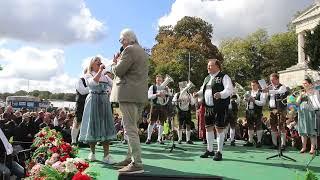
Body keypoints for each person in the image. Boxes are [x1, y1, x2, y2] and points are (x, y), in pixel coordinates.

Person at [110, 28, 148, 174]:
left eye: (121, 40)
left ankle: (136, 163)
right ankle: (129, 159)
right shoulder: (142, 51)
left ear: (127, 39)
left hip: (128, 94)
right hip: (138, 95)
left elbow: (119, 71)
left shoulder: (129, 50)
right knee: (132, 128)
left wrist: (114, 64)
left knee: (130, 129)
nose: (121, 43)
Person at [78, 56, 116, 164]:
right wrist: (100, 71)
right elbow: (92, 83)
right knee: (92, 125)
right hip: (93, 99)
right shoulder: (88, 74)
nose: (99, 63)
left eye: (100, 61)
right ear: (91, 64)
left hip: (104, 100)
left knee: (105, 125)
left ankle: (106, 155)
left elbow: (113, 84)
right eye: (96, 61)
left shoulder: (105, 76)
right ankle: (92, 153)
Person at [194, 59, 233, 161]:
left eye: (210, 66)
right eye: (208, 66)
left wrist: (221, 94)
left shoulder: (224, 76)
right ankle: (210, 150)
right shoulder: (207, 78)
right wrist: (198, 93)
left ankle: (219, 152)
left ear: (217, 66)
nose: (208, 67)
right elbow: (203, 89)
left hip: (220, 107)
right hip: (208, 107)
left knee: (219, 128)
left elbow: (229, 90)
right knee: (208, 128)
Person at [264, 73, 288, 150]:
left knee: (281, 126)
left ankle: (283, 144)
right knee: (273, 126)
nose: (271, 82)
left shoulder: (282, 87)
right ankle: (274, 144)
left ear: (277, 79)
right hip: (272, 109)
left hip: (281, 109)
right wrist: (265, 92)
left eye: (273, 80)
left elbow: (278, 92)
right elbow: (265, 98)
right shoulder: (270, 87)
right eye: (270, 80)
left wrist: (269, 90)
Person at [296, 78, 320, 154]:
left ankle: (312, 148)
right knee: (303, 130)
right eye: (303, 83)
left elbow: (317, 101)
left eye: (305, 83)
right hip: (302, 113)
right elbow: (296, 103)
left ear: (310, 84)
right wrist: (300, 96)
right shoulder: (302, 92)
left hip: (311, 112)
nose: (304, 85)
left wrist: (309, 93)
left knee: (312, 130)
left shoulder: (315, 91)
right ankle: (304, 147)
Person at [146, 75, 170, 144]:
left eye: (160, 80)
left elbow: (170, 95)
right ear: (156, 80)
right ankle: (148, 138)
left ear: (162, 80)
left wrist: (167, 91)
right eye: (158, 80)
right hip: (155, 106)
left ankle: (159, 139)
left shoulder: (165, 87)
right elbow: (149, 96)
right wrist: (157, 95)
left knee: (162, 122)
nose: (159, 81)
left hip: (163, 106)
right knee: (152, 122)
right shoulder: (152, 87)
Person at [243, 80, 266, 148]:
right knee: (250, 126)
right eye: (252, 85)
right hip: (249, 111)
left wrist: (254, 100)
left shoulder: (261, 93)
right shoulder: (248, 92)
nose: (252, 86)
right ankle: (250, 141)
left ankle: (259, 141)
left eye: (254, 85)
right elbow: (244, 101)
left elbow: (263, 103)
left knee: (258, 126)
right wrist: (245, 100)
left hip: (257, 111)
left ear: (257, 85)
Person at [71, 69, 89, 145]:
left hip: (89, 103)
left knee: (87, 123)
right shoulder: (80, 80)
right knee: (77, 122)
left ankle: (84, 140)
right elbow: (82, 91)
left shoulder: (94, 81)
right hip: (81, 104)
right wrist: (93, 87)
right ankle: (74, 141)